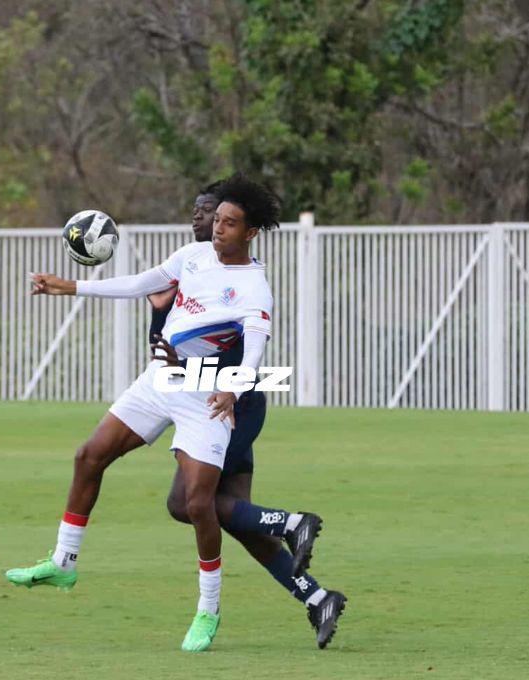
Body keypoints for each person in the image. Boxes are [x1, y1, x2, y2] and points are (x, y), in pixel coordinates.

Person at [4, 174, 309, 652]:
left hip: (205, 399)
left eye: (230, 223)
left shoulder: (254, 289)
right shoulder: (192, 256)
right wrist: (71, 287)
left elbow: (254, 350)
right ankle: (63, 562)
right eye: (219, 220)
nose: (218, 229)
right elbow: (141, 285)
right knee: (89, 455)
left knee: (196, 506)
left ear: (250, 232)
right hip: (160, 382)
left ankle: (208, 611)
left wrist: (234, 389)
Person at [148, 181, 346, 649]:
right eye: (200, 213)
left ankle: (292, 523)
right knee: (236, 519)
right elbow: (170, 347)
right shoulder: (194, 268)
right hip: (209, 400)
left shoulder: (241, 281)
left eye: (211, 213)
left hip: (230, 403)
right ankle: (319, 598)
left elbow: (240, 352)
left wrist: (219, 384)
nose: (201, 220)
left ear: (240, 227)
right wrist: (160, 315)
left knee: (185, 504)